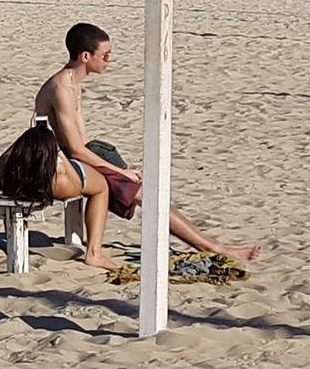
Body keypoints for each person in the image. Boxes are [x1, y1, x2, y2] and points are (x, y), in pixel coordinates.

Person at [36, 23, 260, 262]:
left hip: (74, 157)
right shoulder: (61, 88)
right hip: (59, 164)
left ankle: (213, 245)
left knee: (146, 188)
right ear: (85, 56)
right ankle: (213, 247)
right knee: (145, 193)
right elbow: (75, 148)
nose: (109, 59)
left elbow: (83, 142)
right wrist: (120, 171)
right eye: (105, 55)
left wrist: (115, 166)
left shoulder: (74, 84)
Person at [0, 117, 118, 271]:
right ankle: (94, 253)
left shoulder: (14, 171)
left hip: (29, 174)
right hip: (62, 173)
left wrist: (22, 142)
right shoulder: (59, 181)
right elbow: (77, 184)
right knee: (101, 187)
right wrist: (60, 153)